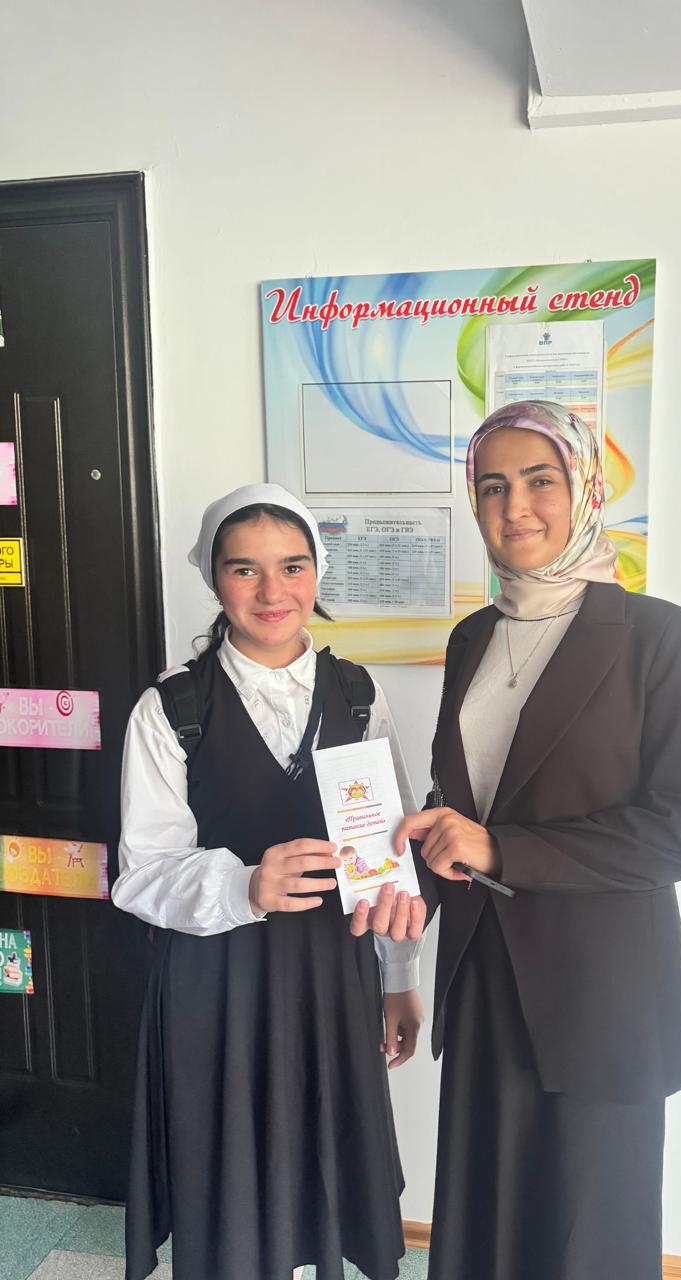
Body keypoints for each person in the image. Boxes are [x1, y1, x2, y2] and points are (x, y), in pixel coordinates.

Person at [394, 401, 681, 1280]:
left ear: (585, 489)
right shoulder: (473, 636)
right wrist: (398, 899)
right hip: (484, 978)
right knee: (487, 1223)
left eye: (541, 480)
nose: (515, 508)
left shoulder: (656, 635)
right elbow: (456, 804)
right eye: (492, 487)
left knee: (588, 1236)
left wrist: (501, 851)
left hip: (601, 991)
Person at [113, 483, 425, 1280]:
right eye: (244, 569)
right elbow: (141, 873)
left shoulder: (358, 694)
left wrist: (400, 978)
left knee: (321, 1170)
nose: (272, 591)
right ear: (215, 579)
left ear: (317, 572)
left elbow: (388, 858)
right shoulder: (172, 706)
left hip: (331, 975)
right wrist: (245, 886)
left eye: (292, 566)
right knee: (232, 1187)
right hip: (215, 987)